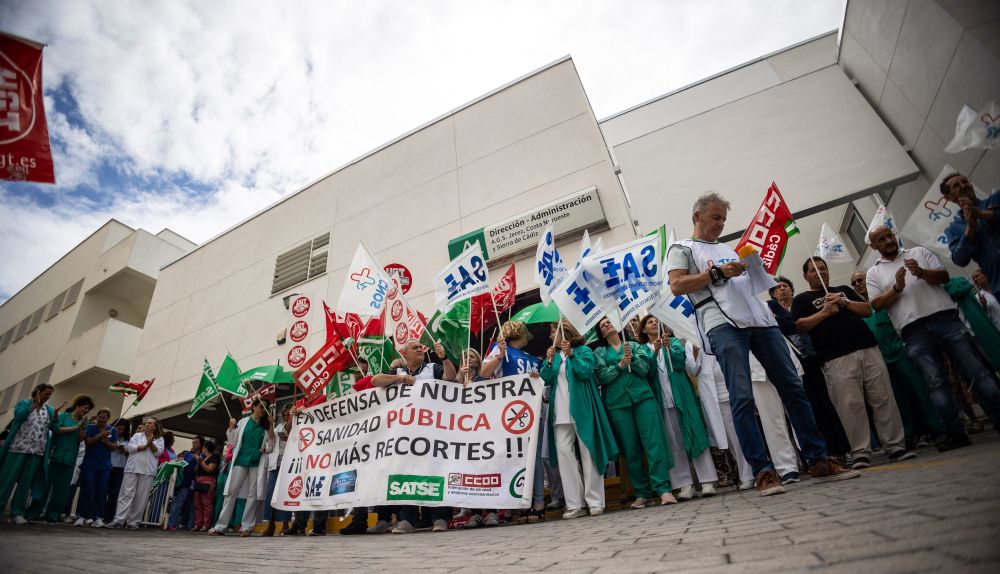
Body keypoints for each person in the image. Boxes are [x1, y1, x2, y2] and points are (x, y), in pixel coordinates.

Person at [667, 192, 859, 496]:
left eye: (723, 219)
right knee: (742, 397)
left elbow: (746, 282)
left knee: (793, 388)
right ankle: (764, 471)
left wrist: (753, 269)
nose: (720, 224)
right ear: (697, 217)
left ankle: (818, 458)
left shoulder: (728, 248)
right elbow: (677, 285)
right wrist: (716, 272)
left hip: (760, 320)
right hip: (722, 324)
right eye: (715, 218)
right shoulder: (681, 249)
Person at [867, 224, 1000, 449]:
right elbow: (876, 304)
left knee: (976, 371)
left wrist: (921, 272)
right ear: (874, 245)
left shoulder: (919, 253)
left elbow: (944, 275)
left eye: (889, 235)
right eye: (881, 239)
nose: (888, 241)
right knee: (936, 383)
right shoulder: (874, 272)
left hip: (945, 319)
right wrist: (897, 288)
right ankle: (955, 432)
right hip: (913, 331)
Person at [792, 258, 911, 469]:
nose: (820, 272)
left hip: (867, 348)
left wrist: (844, 302)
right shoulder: (802, 299)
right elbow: (800, 326)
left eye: (823, 268)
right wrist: (825, 312)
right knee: (849, 405)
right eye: (813, 270)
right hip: (835, 357)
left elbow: (867, 309)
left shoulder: (843, 289)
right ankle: (860, 451)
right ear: (805, 276)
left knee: (882, 397)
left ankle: (895, 445)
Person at [369, 339, 455, 533]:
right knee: (408, 472)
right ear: (404, 353)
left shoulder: (433, 368)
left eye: (421, 347)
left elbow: (450, 377)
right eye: (415, 348)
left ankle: (440, 517)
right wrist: (399, 380)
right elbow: (375, 381)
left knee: (435, 470)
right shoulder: (398, 373)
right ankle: (407, 518)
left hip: (434, 429)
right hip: (407, 434)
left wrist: (444, 358)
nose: (420, 349)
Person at [851, 271, 944, 449]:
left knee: (922, 392)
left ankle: (939, 428)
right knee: (897, 401)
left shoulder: (884, 300)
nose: (857, 285)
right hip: (882, 360)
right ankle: (908, 436)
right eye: (854, 283)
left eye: (860, 280)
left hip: (902, 353)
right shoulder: (860, 312)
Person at [595, 316, 676, 508]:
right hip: (617, 404)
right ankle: (642, 493)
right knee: (630, 450)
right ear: (602, 333)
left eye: (609, 321)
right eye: (603, 325)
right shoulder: (599, 352)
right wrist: (621, 365)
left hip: (643, 398)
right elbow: (602, 377)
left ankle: (663, 489)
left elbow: (646, 369)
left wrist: (633, 360)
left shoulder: (634, 345)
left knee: (653, 443)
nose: (607, 325)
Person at [540, 320, 618, 519]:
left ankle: (595, 501)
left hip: (582, 409)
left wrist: (572, 356)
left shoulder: (583, 351)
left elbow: (585, 372)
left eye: (553, 333)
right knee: (564, 454)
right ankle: (575, 504)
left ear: (564, 333)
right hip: (560, 413)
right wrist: (548, 362)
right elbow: (546, 378)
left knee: (588, 452)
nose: (551, 337)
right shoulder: (554, 355)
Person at [768, 277, 851, 458]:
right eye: (778, 287)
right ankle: (825, 451)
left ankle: (842, 449)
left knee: (828, 402)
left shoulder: (801, 305)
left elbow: (801, 325)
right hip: (794, 365)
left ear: (792, 290)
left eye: (786, 286)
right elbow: (790, 328)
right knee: (810, 407)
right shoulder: (770, 309)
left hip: (814, 358)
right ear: (773, 294)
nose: (782, 289)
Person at [639, 315, 715, 500]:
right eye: (650, 322)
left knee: (695, 432)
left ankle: (707, 481)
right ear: (643, 330)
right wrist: (655, 352)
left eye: (656, 321)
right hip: (662, 401)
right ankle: (684, 485)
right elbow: (646, 371)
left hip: (681, 395)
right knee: (673, 443)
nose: (654, 323)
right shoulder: (642, 349)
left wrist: (666, 347)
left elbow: (680, 362)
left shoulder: (672, 341)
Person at [479, 320, 548, 521]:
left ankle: (537, 501)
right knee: (516, 457)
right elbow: (484, 373)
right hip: (509, 413)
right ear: (520, 333)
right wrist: (500, 355)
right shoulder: (501, 349)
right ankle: (521, 501)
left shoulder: (533, 359)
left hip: (531, 411)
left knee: (533, 457)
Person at [682, 340, 755, 489]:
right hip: (712, 396)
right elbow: (691, 370)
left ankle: (750, 473)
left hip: (729, 389)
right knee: (729, 438)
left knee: (739, 435)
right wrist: (695, 351)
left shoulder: (715, 334)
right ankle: (746, 474)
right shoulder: (690, 342)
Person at [209, 398, 276, 536]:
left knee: (253, 494)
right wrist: (231, 427)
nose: (263, 410)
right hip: (241, 460)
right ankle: (220, 526)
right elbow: (233, 442)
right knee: (232, 491)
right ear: (254, 407)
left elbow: (271, 444)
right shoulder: (243, 422)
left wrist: (270, 426)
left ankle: (247, 527)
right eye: (261, 407)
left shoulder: (266, 424)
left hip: (256, 462)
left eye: (265, 408)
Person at [26, 394, 93, 523]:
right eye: (85, 408)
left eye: (88, 410)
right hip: (54, 456)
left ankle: (53, 515)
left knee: (61, 491)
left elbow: (80, 439)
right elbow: (56, 430)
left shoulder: (85, 422)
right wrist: (76, 427)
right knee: (44, 487)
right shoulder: (63, 416)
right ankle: (33, 513)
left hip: (70, 459)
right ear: (77, 405)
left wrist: (82, 427)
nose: (86, 411)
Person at [0, 383, 60, 524]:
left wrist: (56, 417)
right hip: (17, 448)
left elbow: (53, 427)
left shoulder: (49, 410)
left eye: (50, 394)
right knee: (7, 479)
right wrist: (32, 406)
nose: (48, 397)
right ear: (38, 392)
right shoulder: (24, 403)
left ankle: (17, 512)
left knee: (25, 483)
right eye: (46, 393)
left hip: (36, 451)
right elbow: (19, 417)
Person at [943, 173, 1000, 293]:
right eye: (957, 185)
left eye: (965, 181)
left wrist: (982, 214)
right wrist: (970, 230)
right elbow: (959, 259)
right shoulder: (953, 229)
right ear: (948, 198)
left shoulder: (995, 199)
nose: (964, 186)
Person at [108, 417, 165, 529]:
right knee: (126, 494)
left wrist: (150, 442)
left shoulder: (160, 439)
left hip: (147, 471)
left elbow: (158, 453)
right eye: (146, 423)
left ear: (155, 426)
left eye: (150, 423)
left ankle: (133, 522)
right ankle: (119, 520)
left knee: (141, 497)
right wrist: (141, 447)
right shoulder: (137, 435)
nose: (147, 424)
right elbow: (129, 448)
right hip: (132, 468)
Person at [77, 407, 118, 528]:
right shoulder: (91, 427)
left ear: (108, 419)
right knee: (88, 489)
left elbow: (114, 447)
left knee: (101, 491)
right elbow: (88, 442)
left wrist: (106, 441)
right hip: (89, 464)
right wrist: (100, 436)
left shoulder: (112, 430)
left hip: (104, 465)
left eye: (104, 417)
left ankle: (98, 517)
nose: (101, 419)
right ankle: (81, 516)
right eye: (100, 417)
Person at [262, 406, 292, 536]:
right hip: (275, 465)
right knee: (271, 495)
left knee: (286, 495)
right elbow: (271, 444)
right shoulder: (278, 427)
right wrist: (270, 425)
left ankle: (286, 523)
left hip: (288, 465)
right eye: (285, 415)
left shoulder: (298, 426)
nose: (286, 417)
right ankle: (270, 524)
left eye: (288, 415)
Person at [167, 436, 201, 530]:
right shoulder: (187, 454)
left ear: (201, 444)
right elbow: (181, 464)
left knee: (190, 505)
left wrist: (198, 461)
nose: (194, 444)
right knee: (177, 503)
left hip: (193, 483)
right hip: (182, 482)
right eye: (193, 442)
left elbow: (197, 469)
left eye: (196, 442)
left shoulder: (201, 455)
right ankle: (172, 524)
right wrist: (178, 461)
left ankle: (186, 524)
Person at [104, 418, 129, 523]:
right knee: (103, 492)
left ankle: (109, 518)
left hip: (120, 467)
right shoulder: (109, 435)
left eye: (123, 429)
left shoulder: (128, 439)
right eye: (119, 428)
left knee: (114, 494)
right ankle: (99, 515)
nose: (120, 431)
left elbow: (131, 453)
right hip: (107, 465)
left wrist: (124, 450)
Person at [192, 440, 219, 531]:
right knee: (197, 504)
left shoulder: (214, 457)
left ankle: (206, 524)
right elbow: (196, 470)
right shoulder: (203, 458)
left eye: (203, 447)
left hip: (208, 481)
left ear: (206, 448)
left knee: (207, 504)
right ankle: (198, 523)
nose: (202, 449)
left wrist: (200, 461)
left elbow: (210, 470)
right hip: (199, 480)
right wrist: (198, 461)